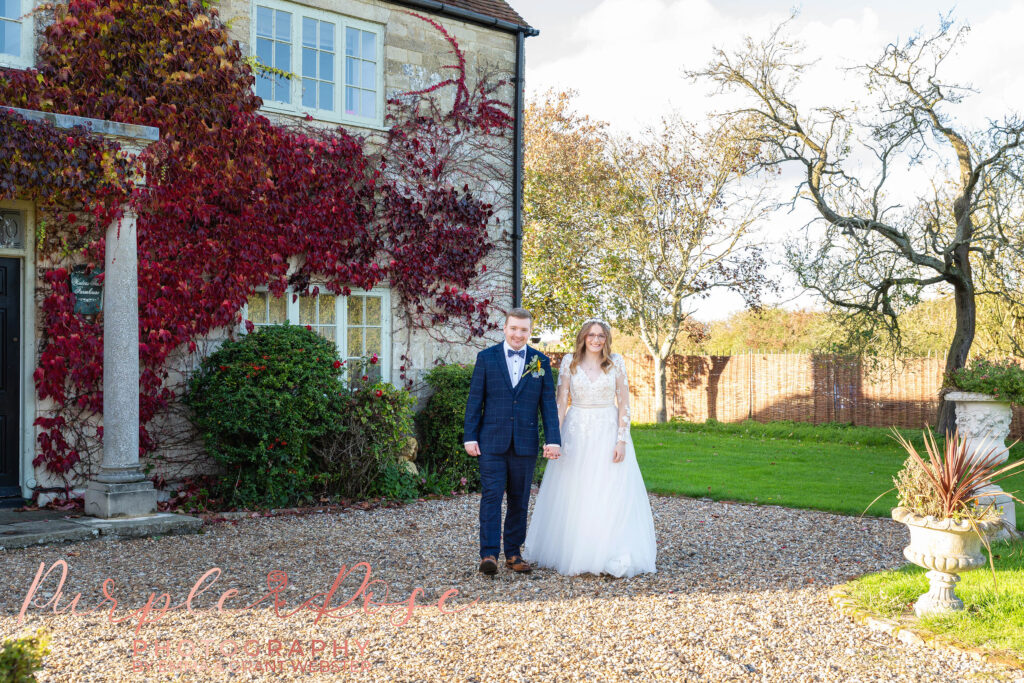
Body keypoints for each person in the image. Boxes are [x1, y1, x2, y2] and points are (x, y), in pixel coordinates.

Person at [523, 319, 657, 577]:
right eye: (591, 335)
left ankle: (610, 552)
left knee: (609, 491)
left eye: (601, 336)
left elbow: (624, 403)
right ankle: (578, 551)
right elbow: (560, 403)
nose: (596, 340)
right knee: (576, 490)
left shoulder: (615, 362)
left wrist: (621, 439)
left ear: (606, 339)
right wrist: (554, 438)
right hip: (576, 432)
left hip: (607, 430)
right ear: (583, 337)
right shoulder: (568, 362)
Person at [463, 308, 561, 575]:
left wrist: (553, 439)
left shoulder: (540, 362)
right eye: (514, 328)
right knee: (492, 497)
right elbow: (475, 401)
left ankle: (514, 553)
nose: (518, 334)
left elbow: (548, 405)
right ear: (504, 328)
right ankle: (489, 554)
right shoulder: (486, 358)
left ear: (530, 332)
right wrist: (469, 436)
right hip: (491, 442)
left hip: (525, 443)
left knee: (519, 499)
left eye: (524, 330)